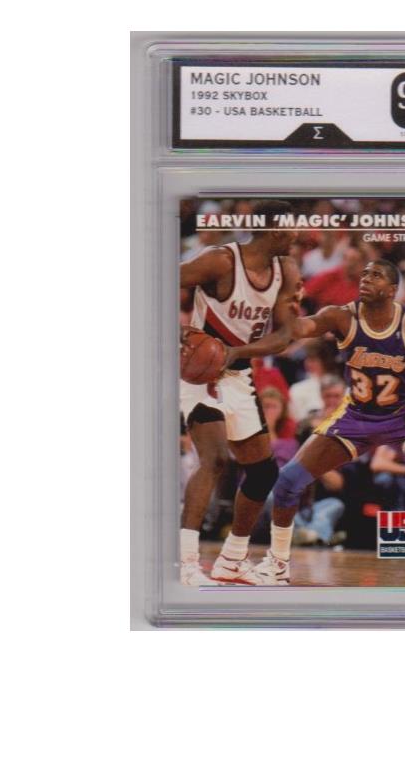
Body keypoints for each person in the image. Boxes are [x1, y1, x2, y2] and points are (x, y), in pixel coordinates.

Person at [252, 259, 405, 584]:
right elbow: (299, 330)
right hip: (357, 414)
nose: (366, 278)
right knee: (288, 480)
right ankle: (276, 563)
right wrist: (286, 305)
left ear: (392, 290)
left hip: (404, 413)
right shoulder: (341, 316)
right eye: (364, 274)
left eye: (376, 275)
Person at [178, 200, 301, 585]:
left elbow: (285, 334)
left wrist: (237, 353)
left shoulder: (286, 270)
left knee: (263, 472)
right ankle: (186, 564)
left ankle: (231, 560)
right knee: (214, 458)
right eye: (293, 228)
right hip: (198, 373)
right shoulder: (220, 261)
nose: (298, 236)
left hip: (238, 373)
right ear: (275, 229)